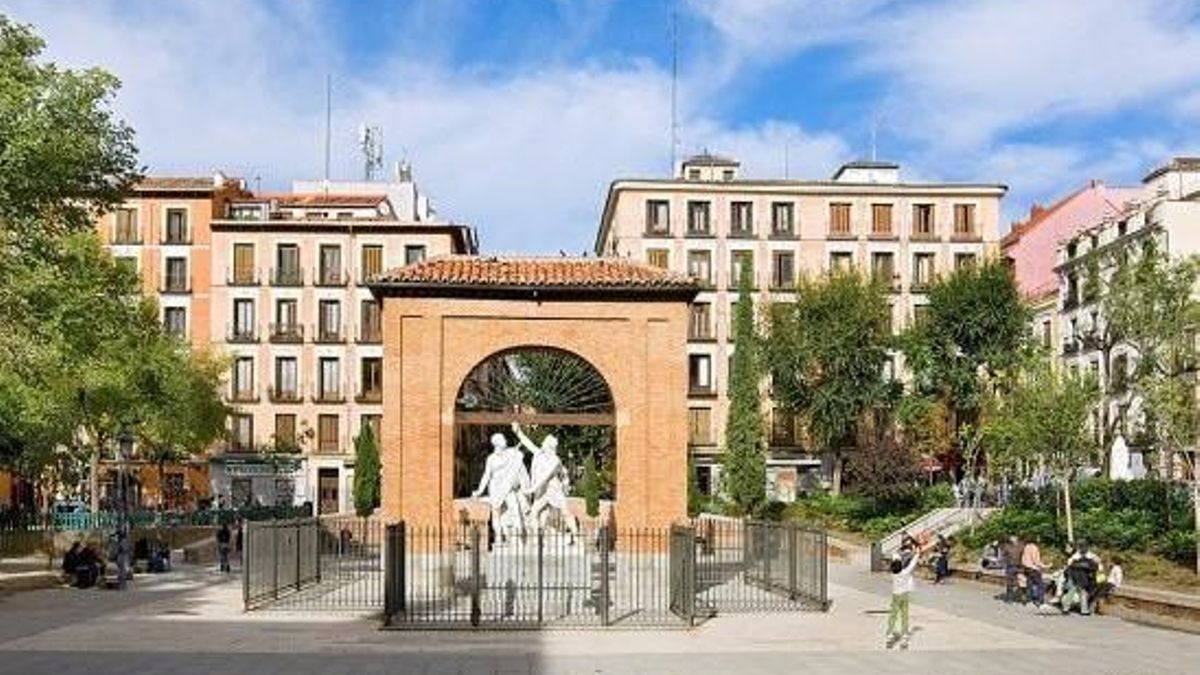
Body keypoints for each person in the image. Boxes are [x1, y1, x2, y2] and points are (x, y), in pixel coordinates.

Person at [886, 549, 920, 650]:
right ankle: (904, 635)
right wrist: (917, 554)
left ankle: (890, 634)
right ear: (901, 566)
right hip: (904, 596)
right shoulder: (905, 573)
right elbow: (912, 564)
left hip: (895, 596)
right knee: (904, 615)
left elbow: (895, 557)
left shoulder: (893, 574)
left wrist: (896, 552)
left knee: (893, 615)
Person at [1021, 538, 1047, 607]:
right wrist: (1044, 566)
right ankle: (1040, 602)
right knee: (1040, 585)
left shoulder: (1026, 547)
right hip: (1034, 569)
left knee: (1029, 585)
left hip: (1027, 568)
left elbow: (1023, 559)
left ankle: (1028, 601)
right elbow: (1036, 561)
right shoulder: (1034, 548)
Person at [1002, 535, 1024, 603]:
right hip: (1010, 566)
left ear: (1016, 538)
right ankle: (1009, 598)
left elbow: (1023, 556)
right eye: (1011, 538)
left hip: (1019, 567)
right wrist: (1004, 565)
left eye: (1013, 537)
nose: (1012, 539)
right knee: (1009, 583)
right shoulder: (1007, 546)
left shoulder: (1021, 546)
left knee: (1020, 583)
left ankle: (1021, 597)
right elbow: (1004, 556)